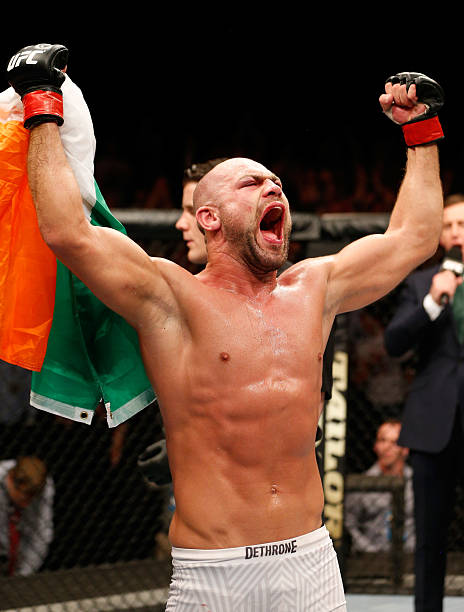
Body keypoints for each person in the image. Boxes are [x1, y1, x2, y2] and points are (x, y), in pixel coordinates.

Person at [7, 46, 445, 610]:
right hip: (215, 574)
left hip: (313, 564)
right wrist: (42, 104)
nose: (274, 188)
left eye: (277, 183)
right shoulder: (172, 298)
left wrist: (421, 130)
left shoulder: (315, 289)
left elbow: (414, 238)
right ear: (208, 218)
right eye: (252, 183)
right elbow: (68, 232)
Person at [384, 193, 464, 612]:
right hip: (434, 425)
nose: (455, 233)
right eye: (448, 226)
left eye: (462, 224)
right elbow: (393, 343)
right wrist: (433, 301)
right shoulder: (421, 284)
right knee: (430, 539)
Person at [344, 418, 415, 554]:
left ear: (405, 449)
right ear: (375, 446)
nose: (387, 447)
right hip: (371, 558)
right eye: (382, 440)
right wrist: (369, 551)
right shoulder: (362, 484)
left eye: (394, 442)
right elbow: (348, 522)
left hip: (411, 556)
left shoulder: (416, 483)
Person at [0, 456, 54, 576]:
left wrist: (24, 576)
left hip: (19, 553)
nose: (26, 504)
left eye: (32, 498)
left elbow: (41, 534)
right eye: (24, 496)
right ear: (10, 480)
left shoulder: (45, 485)